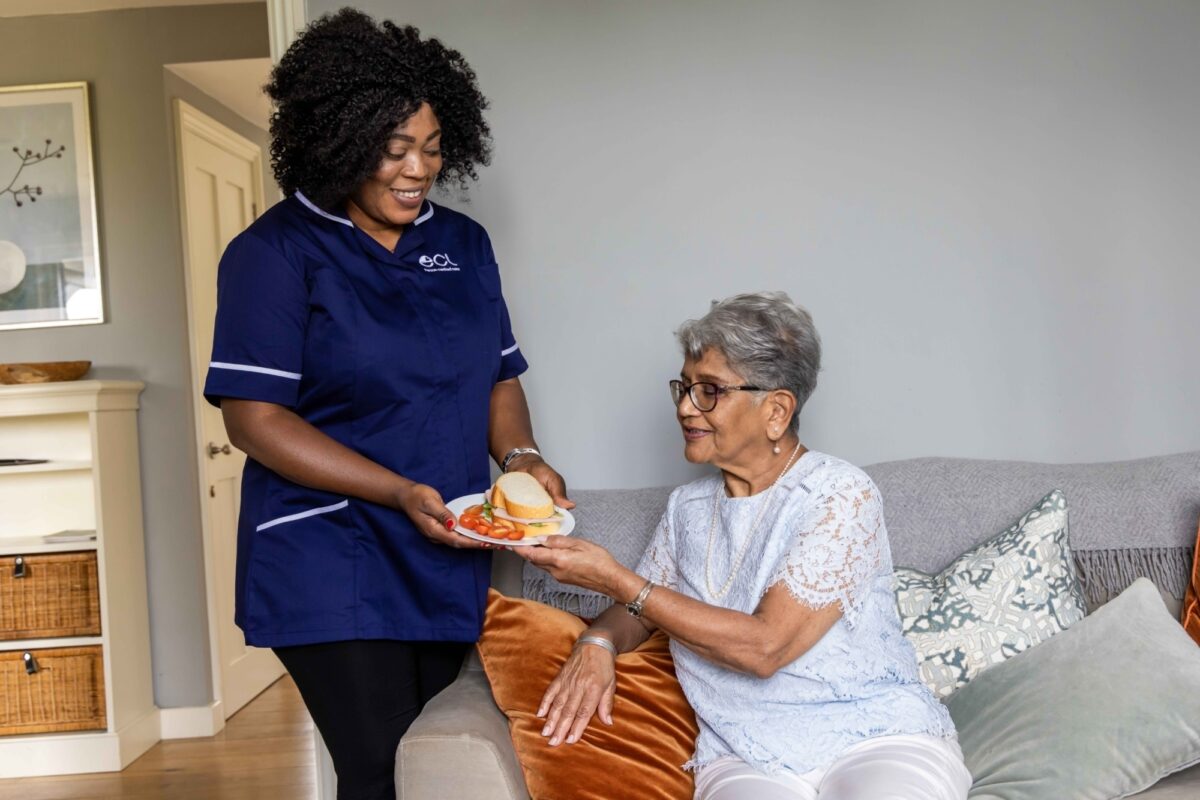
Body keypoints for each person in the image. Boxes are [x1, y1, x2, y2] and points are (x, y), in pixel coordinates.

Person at [201, 9, 570, 799]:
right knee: (377, 771)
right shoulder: (274, 254)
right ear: (336, 142)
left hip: (442, 545)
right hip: (329, 552)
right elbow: (253, 418)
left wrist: (523, 458)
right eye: (393, 148)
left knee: (431, 764)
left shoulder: (464, 245)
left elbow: (499, 376)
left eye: (432, 150)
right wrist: (395, 489)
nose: (416, 170)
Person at [518, 292, 970, 800]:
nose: (686, 407)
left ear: (776, 411)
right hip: (742, 752)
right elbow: (638, 613)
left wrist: (615, 578)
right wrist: (597, 642)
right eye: (684, 388)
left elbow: (765, 647)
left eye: (709, 390)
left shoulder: (840, 493)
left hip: (875, 737)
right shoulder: (685, 508)